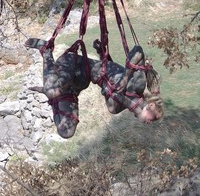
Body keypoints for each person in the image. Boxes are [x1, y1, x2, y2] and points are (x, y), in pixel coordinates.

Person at [25, 38, 164, 138]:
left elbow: (108, 71)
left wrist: (102, 53)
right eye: (154, 118)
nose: (150, 123)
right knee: (52, 91)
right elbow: (138, 51)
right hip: (75, 64)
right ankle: (46, 50)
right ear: (150, 105)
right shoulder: (137, 87)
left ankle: (52, 92)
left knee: (66, 131)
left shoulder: (118, 107)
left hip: (78, 83)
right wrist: (126, 77)